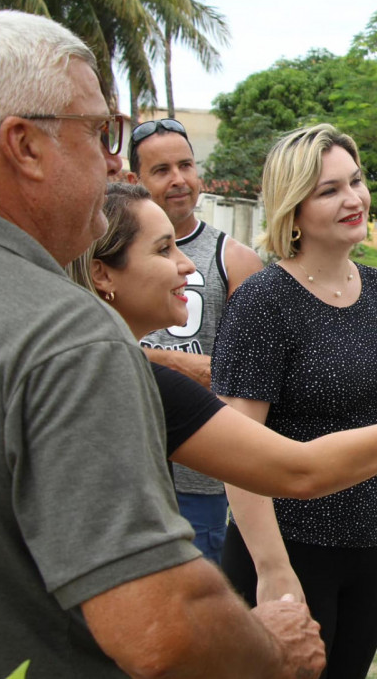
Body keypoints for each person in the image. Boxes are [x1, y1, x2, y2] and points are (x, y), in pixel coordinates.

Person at [0, 10, 324, 678]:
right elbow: (160, 628)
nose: (114, 160)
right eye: (99, 131)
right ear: (25, 144)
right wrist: (272, 647)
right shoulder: (60, 334)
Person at [67, 182, 377, 497]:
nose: (188, 264)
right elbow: (297, 470)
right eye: (163, 251)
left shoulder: (116, 369)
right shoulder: (107, 379)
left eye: (356, 181)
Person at [214, 124, 377, 679]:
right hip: (289, 546)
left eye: (355, 181)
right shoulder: (265, 301)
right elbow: (237, 452)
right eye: (329, 190)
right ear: (293, 207)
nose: (353, 199)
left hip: (370, 543)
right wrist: (273, 569)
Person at [125, 117, 264, 563]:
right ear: (135, 180)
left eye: (186, 165)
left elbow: (255, 376)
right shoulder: (107, 253)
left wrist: (150, 361)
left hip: (202, 477)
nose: (179, 180)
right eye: (161, 170)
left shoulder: (235, 260)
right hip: (130, 466)